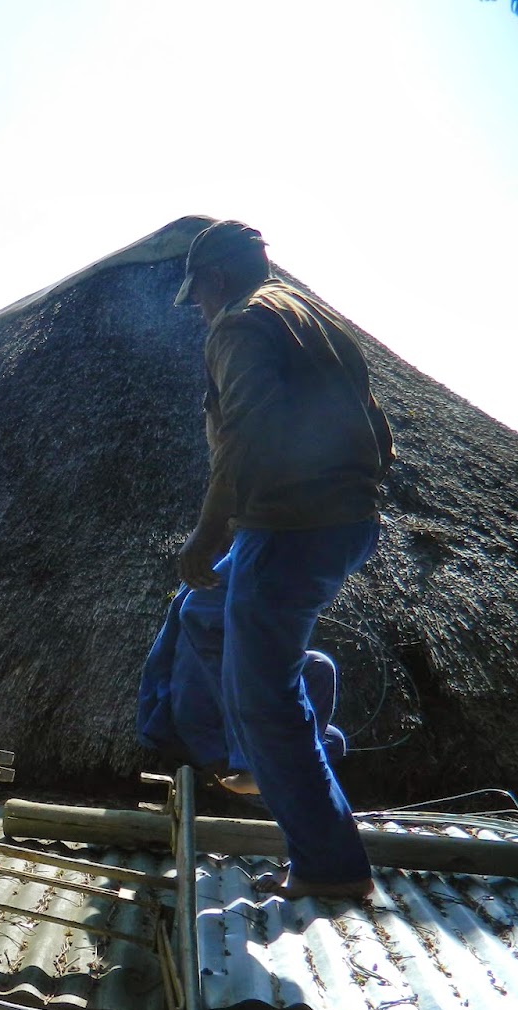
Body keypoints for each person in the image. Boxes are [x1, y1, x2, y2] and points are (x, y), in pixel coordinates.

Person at [159, 218, 394, 901]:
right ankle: (266, 741)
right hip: (341, 522)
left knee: (267, 701)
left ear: (217, 280)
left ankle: (328, 867)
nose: (197, 310)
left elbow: (247, 432)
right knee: (202, 606)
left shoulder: (238, 325)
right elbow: (377, 425)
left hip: (288, 530)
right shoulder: (313, 317)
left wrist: (209, 532)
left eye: (197, 295)